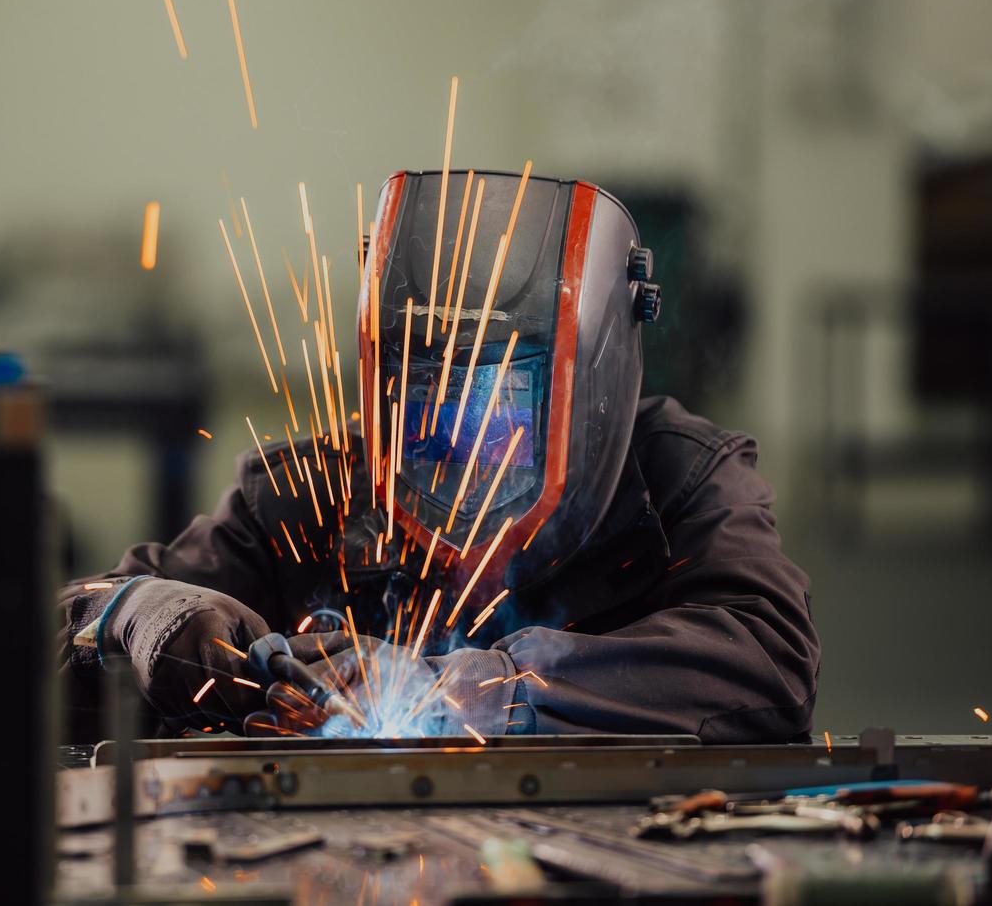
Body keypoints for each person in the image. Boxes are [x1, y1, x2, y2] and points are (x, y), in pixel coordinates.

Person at [58, 169, 819, 744]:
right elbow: (48, 631)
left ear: (589, 382)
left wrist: (479, 690)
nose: (456, 444)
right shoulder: (308, 493)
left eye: (497, 409)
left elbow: (766, 661)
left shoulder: (677, 476)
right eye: (426, 399)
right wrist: (139, 614)